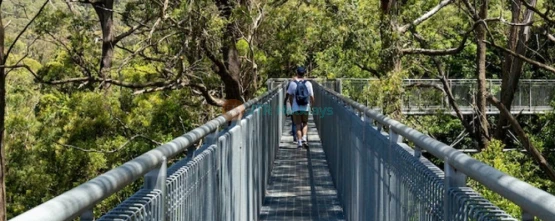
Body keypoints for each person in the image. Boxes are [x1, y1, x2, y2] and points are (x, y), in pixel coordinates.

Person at [287, 66, 314, 148]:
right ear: (304, 73)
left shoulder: (292, 83)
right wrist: (312, 106)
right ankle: (304, 138)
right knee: (305, 123)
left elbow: (290, 96)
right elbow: (312, 97)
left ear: (297, 73)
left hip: (296, 107)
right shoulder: (308, 83)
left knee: (298, 124)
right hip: (305, 107)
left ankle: (299, 142)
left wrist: (291, 105)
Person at [285, 75, 297, 142]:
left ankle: (295, 136)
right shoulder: (303, 83)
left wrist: (285, 101)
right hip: (302, 106)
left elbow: (288, 94)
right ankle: (301, 137)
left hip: (293, 105)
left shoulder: (291, 84)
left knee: (294, 122)